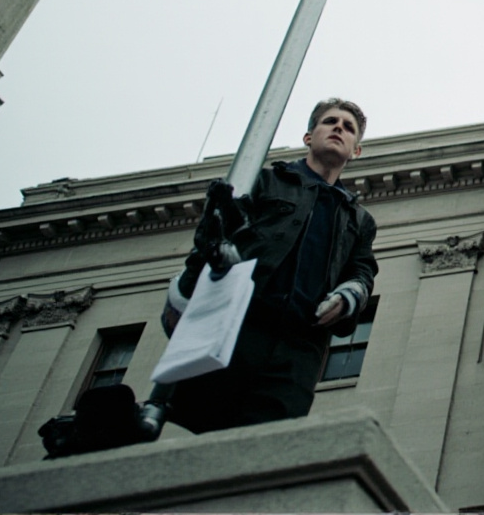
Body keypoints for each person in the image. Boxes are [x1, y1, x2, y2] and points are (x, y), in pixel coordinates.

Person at [160, 98, 379, 433]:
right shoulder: (263, 182)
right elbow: (220, 237)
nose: (339, 128)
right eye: (330, 122)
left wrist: (349, 295)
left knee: (267, 451)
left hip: (298, 351)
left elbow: (362, 271)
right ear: (308, 138)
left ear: (356, 151)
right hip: (238, 328)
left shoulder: (359, 220)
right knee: (195, 436)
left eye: (348, 128)